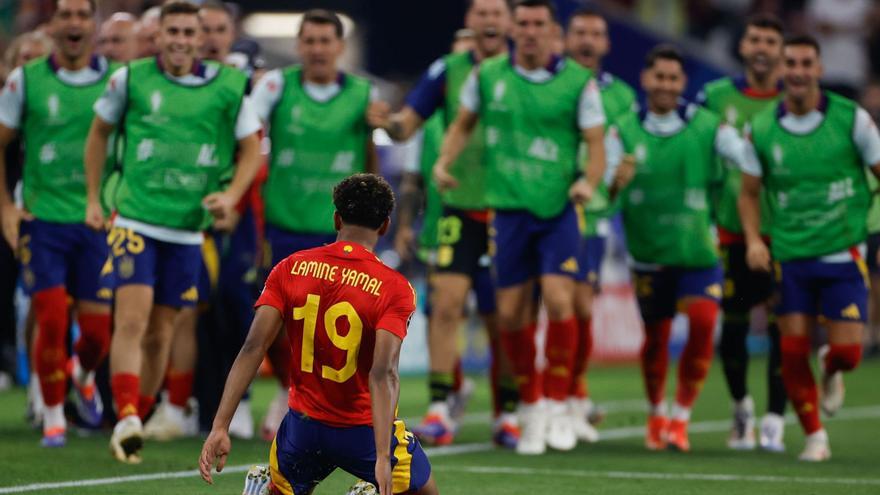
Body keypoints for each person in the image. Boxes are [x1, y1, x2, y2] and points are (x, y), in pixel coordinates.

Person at [84, 0, 262, 463]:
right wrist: (92, 198)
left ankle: (134, 419)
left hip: (187, 229)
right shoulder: (130, 78)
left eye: (189, 31)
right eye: (173, 31)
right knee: (131, 319)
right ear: (159, 36)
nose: (181, 39)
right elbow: (99, 133)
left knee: (162, 331)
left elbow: (252, 149)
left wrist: (231, 196)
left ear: (200, 38)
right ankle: (125, 415)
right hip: (135, 218)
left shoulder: (227, 86)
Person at [434, 0, 607, 455]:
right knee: (510, 315)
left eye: (539, 24)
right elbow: (462, 123)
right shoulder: (488, 76)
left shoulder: (577, 83)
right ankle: (529, 408)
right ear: (513, 28)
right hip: (507, 212)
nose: (530, 31)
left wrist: (588, 181)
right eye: (523, 23)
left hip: (558, 211)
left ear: (553, 32)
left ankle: (555, 403)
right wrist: (444, 161)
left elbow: (595, 143)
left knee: (558, 297)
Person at [199, 174, 438, 495]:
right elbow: (383, 374)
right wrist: (382, 456)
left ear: (336, 218)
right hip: (362, 431)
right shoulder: (394, 288)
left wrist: (219, 426)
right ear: (385, 226)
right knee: (424, 490)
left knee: (286, 483)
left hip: (303, 427)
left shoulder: (290, 267)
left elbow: (253, 347)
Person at [369, 0, 520, 449]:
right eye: (482, 13)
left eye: (498, 13)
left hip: (510, 209)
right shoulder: (447, 70)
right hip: (458, 206)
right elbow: (407, 123)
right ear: (469, 22)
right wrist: (390, 124)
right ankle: (439, 409)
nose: (490, 21)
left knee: (504, 316)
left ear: (508, 23)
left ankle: (507, 414)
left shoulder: (524, 72)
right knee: (446, 303)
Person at [738, 34, 880, 461]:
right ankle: (815, 435)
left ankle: (832, 367)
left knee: (848, 354)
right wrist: (751, 240)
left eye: (806, 64)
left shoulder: (852, 120)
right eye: (791, 64)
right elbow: (748, 193)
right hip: (791, 256)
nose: (798, 72)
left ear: (819, 70)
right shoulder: (761, 129)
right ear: (782, 71)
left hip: (844, 255)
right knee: (791, 349)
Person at [608, 44, 748, 453]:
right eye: (659, 77)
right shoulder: (623, 129)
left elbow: (744, 155)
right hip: (648, 255)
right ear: (646, 80)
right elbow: (606, 188)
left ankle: (681, 418)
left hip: (699, 253)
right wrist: (617, 180)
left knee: (705, 324)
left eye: (673, 78)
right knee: (656, 338)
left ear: (682, 83)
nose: (666, 85)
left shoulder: (709, 126)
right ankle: (656, 414)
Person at [249, 8, 380, 441]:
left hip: (342, 230)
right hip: (285, 224)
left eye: (327, 41)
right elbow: (245, 129)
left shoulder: (364, 94)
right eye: (311, 41)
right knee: (284, 324)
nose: (319, 49)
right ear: (299, 45)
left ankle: (337, 404)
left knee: (346, 324)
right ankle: (289, 393)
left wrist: (377, 218)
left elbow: (375, 156)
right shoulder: (276, 87)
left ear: (340, 47)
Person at [0, 0, 115, 448]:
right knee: (48, 319)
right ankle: (52, 416)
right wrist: (8, 209)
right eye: (65, 14)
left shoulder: (116, 81)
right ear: (53, 25)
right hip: (42, 220)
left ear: (93, 24)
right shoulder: (24, 80)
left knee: (96, 336)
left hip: (96, 222)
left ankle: (82, 375)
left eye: (82, 15)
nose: (73, 23)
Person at [143, 0, 248, 442]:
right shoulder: (156, 82)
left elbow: (255, 149)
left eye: (218, 29)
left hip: (237, 219)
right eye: (204, 28)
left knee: (238, 309)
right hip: (180, 216)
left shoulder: (241, 85)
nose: (209, 37)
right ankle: (176, 405)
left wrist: (234, 199)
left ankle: (235, 404)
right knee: (180, 312)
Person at [697, 14, 788, 452]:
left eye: (770, 40)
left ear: (782, 51)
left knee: (783, 331)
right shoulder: (714, 97)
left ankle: (774, 419)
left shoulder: (797, 102)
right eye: (754, 38)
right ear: (743, 45)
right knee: (731, 332)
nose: (761, 47)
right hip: (733, 232)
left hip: (788, 234)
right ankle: (741, 408)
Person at [564, 7, 637, 443]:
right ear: (567, 39)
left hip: (591, 215)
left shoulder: (623, 97)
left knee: (579, 307)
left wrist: (624, 175)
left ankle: (574, 393)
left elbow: (629, 151)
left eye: (596, 33)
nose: (588, 40)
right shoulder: (556, 85)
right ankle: (536, 399)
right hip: (543, 208)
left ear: (607, 43)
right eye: (580, 33)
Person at [0, 28, 53, 415]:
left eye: (37, 60)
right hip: (10, 210)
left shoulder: (59, 113)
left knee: (45, 303)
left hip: (49, 214)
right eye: (23, 60)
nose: (28, 68)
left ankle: (42, 384)